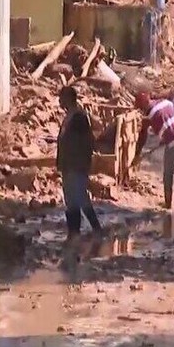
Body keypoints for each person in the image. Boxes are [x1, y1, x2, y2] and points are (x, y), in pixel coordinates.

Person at [56, 85, 103, 236]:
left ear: (68, 98)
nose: (59, 101)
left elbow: (86, 142)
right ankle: (76, 232)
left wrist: (80, 163)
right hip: (69, 165)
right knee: (71, 198)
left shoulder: (79, 117)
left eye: (61, 97)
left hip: (76, 165)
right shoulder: (70, 116)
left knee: (79, 197)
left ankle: (91, 230)